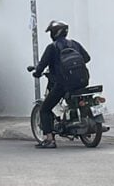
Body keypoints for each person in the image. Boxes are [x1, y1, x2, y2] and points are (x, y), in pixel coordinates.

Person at [33, 20, 91, 149]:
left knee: (45, 109)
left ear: (54, 33)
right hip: (82, 81)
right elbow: (87, 58)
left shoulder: (52, 47)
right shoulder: (74, 44)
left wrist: (37, 73)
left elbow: (42, 65)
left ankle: (49, 140)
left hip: (63, 84)